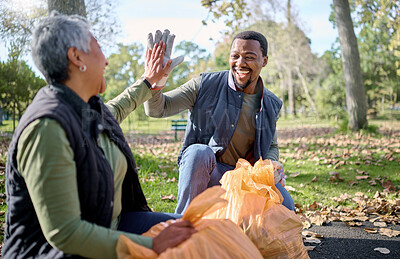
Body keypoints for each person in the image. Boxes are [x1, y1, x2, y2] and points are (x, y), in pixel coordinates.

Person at [3, 12, 196, 258]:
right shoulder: (47, 128)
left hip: (112, 226)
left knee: (201, 232)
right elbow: (65, 233)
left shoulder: (87, 108)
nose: (105, 61)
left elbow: (118, 107)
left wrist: (150, 80)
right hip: (56, 252)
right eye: (98, 49)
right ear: (76, 56)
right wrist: (152, 247)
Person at [144, 30, 295, 214]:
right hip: (209, 174)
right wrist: (155, 81)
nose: (240, 63)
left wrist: (272, 165)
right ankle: (183, 221)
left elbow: (271, 144)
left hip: (246, 180)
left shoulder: (270, 103)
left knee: (287, 208)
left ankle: (235, 224)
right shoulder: (203, 84)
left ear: (264, 60)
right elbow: (157, 109)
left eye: (249, 57)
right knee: (198, 152)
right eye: (235, 56)